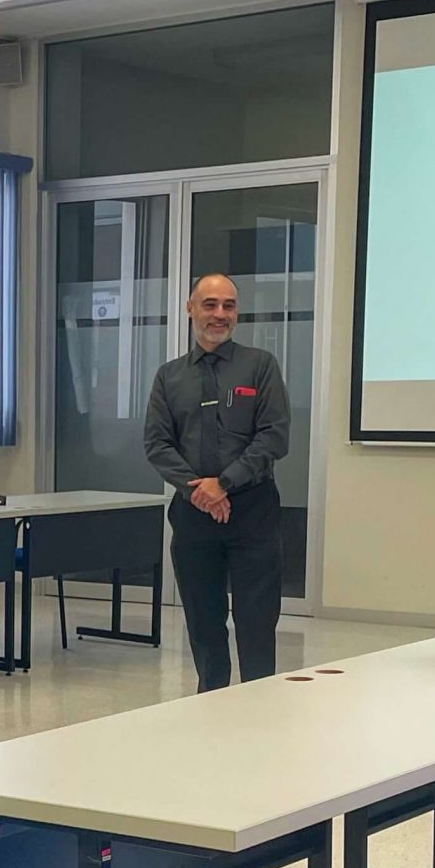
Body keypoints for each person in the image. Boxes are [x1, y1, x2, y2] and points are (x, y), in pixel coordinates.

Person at [143, 273, 290, 691]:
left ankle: (259, 705)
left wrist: (223, 484)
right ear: (191, 309)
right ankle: (211, 703)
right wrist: (198, 490)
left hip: (253, 511)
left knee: (256, 621)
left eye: (228, 306)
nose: (219, 314)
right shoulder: (169, 377)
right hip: (194, 515)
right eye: (209, 304)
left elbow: (274, 436)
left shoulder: (260, 366)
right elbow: (157, 444)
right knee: (203, 619)